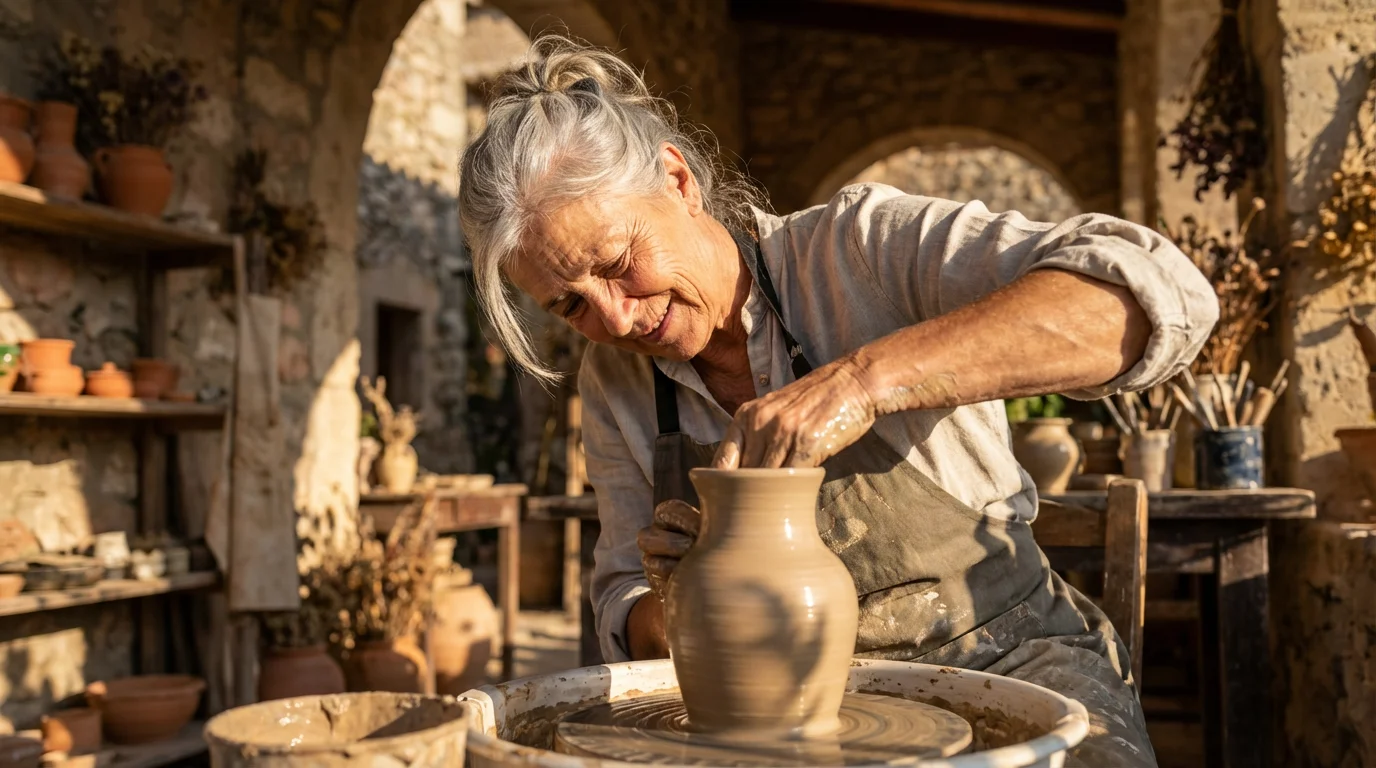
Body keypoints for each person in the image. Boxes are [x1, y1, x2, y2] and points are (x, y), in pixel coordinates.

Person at [459, 36, 1216, 768]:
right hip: (778, 714)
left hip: (1009, 657)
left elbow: (1157, 293)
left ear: (679, 181)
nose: (616, 318)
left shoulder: (862, 249)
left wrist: (864, 382)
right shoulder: (616, 382)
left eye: (619, 263)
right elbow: (623, 591)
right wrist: (679, 605)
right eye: (569, 306)